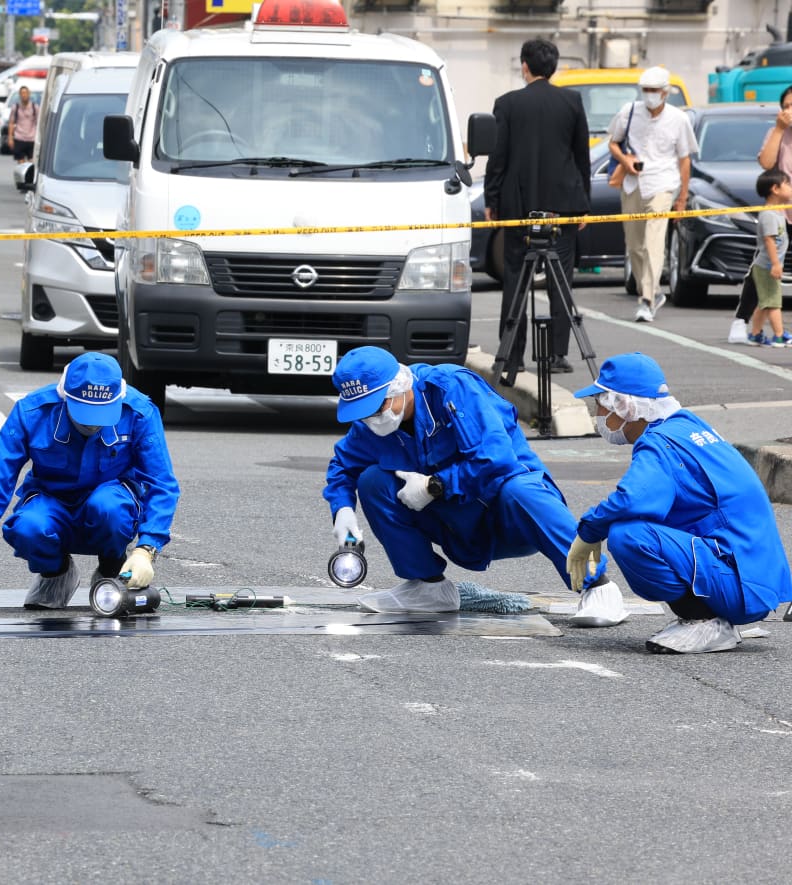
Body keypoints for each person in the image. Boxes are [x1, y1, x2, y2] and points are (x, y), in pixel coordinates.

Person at [323, 346, 627, 626]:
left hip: (509, 518)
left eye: (378, 407)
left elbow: (497, 457)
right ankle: (428, 588)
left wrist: (435, 486)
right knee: (372, 481)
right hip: (456, 526)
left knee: (521, 489)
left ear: (400, 385)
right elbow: (342, 467)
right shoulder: (371, 426)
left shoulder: (451, 387)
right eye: (364, 412)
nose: (374, 418)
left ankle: (598, 588)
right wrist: (343, 513)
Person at [568, 353, 792, 653]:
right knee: (644, 525)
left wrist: (589, 533)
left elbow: (633, 499)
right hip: (752, 575)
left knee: (628, 536)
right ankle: (712, 617)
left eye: (600, 404)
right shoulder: (686, 426)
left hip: (740, 584)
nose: (597, 414)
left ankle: (703, 622)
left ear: (624, 405)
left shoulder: (659, 443)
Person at [0, 352, 180, 611]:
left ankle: (113, 568)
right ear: (65, 396)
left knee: (109, 506)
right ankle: (56, 573)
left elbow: (162, 485)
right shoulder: (32, 412)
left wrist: (146, 550)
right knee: (28, 526)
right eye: (85, 414)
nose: (92, 425)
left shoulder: (139, 412)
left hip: (110, 506)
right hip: (52, 505)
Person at [483, 38, 590, 378]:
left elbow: (497, 158)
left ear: (524, 66)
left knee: (515, 278)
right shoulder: (571, 101)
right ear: (553, 67)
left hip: (520, 207)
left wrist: (492, 200)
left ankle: (512, 355)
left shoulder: (507, 104)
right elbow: (581, 156)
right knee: (561, 280)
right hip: (564, 208)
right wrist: (582, 204)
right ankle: (558, 354)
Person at [608, 66, 698, 324]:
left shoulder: (678, 119)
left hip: (662, 183)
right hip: (633, 183)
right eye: (645, 90)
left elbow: (684, 160)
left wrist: (681, 198)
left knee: (654, 242)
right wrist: (625, 160)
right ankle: (650, 292)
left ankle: (647, 299)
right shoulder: (629, 111)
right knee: (634, 246)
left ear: (665, 92)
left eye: (654, 91)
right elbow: (613, 142)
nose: (649, 95)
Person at [746, 169, 792, 347]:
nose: (790, 188)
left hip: (768, 266)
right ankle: (779, 335)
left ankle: (755, 334)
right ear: (775, 189)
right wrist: (775, 264)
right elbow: (769, 240)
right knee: (773, 303)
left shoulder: (778, 212)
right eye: (787, 184)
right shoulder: (769, 215)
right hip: (766, 266)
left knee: (765, 302)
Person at [8, 85, 39, 162]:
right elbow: (11, 123)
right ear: (19, 95)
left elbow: (39, 124)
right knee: (21, 163)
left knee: (31, 163)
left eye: (25, 93)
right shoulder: (16, 107)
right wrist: (10, 138)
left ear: (29, 94)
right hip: (19, 138)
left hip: (31, 138)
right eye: (22, 93)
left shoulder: (35, 107)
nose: (24, 95)